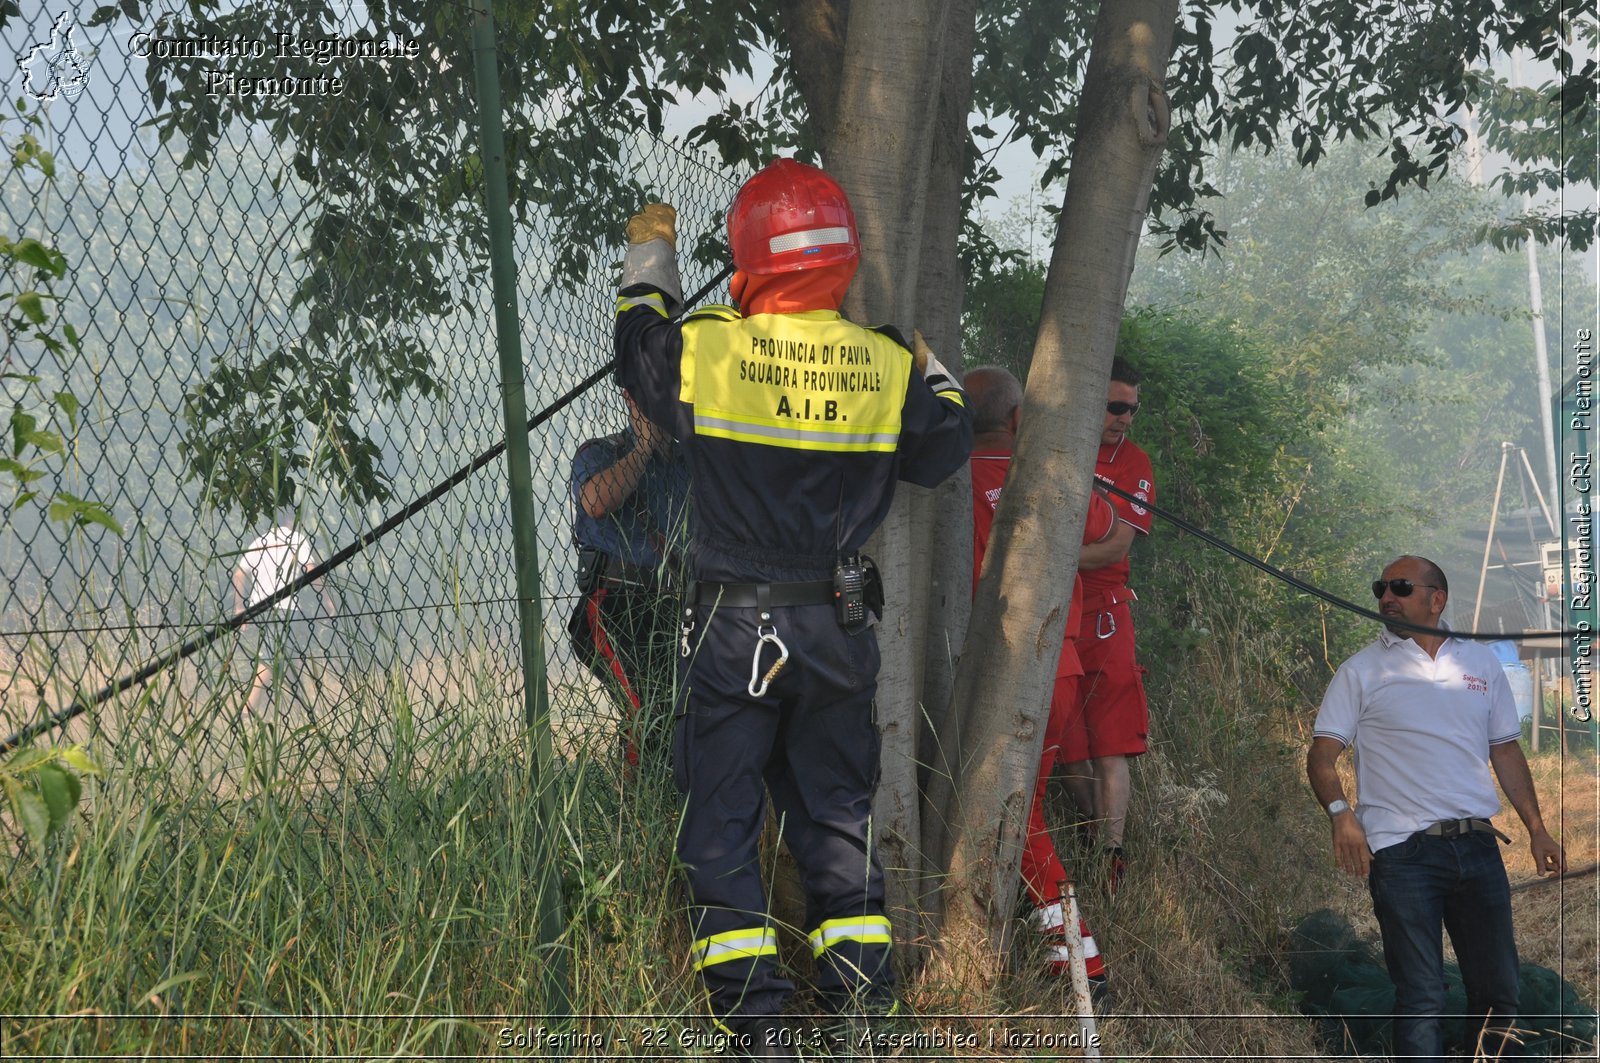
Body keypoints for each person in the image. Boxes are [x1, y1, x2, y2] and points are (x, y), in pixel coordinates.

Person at [614, 158, 972, 1054]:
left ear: (749, 260)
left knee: (722, 821)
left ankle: (758, 1025)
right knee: (836, 821)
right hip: (840, 628)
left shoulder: (713, 346)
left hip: (736, 626)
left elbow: (637, 349)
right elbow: (947, 445)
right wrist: (931, 365)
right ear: (841, 260)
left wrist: (650, 256)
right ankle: (862, 1015)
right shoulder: (885, 362)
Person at [1307, 555, 1567, 1062]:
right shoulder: (1361, 670)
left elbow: (1506, 750)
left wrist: (1537, 828)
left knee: (1498, 994)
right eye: (1381, 586)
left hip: (1477, 847)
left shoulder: (1480, 663)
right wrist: (1341, 813)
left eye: (1400, 587)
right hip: (1402, 855)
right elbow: (1321, 756)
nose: (1386, 596)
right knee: (1422, 997)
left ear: (1437, 599)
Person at [966, 365, 1114, 993]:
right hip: (1059, 670)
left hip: (1000, 671)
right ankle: (1069, 951)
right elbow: (1108, 530)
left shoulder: (953, 482)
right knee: (1021, 812)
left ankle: (1080, 961)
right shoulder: (1050, 477)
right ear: (1020, 420)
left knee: (1017, 814)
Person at [1065, 355, 1154, 892]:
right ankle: (1092, 837)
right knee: (1068, 741)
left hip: (1104, 608)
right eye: (1116, 407)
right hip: (1055, 606)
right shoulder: (1058, 440)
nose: (1124, 418)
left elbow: (1117, 544)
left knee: (1110, 738)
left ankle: (1112, 852)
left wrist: (1044, 556)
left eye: (1132, 410)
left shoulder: (1133, 461)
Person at [568, 386, 692, 768]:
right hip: (615, 604)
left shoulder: (688, 464)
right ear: (629, 399)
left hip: (677, 606)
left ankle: (678, 804)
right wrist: (642, 451)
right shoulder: (602, 453)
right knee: (643, 707)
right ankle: (638, 815)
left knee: (688, 709)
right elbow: (595, 501)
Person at [233, 511, 333, 716]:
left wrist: (240, 608)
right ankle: (246, 710)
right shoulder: (296, 539)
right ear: (292, 519)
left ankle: (299, 707)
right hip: (283, 608)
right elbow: (311, 570)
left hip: (258, 608)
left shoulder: (261, 541)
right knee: (270, 657)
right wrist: (327, 600)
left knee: (289, 656)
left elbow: (239, 573)